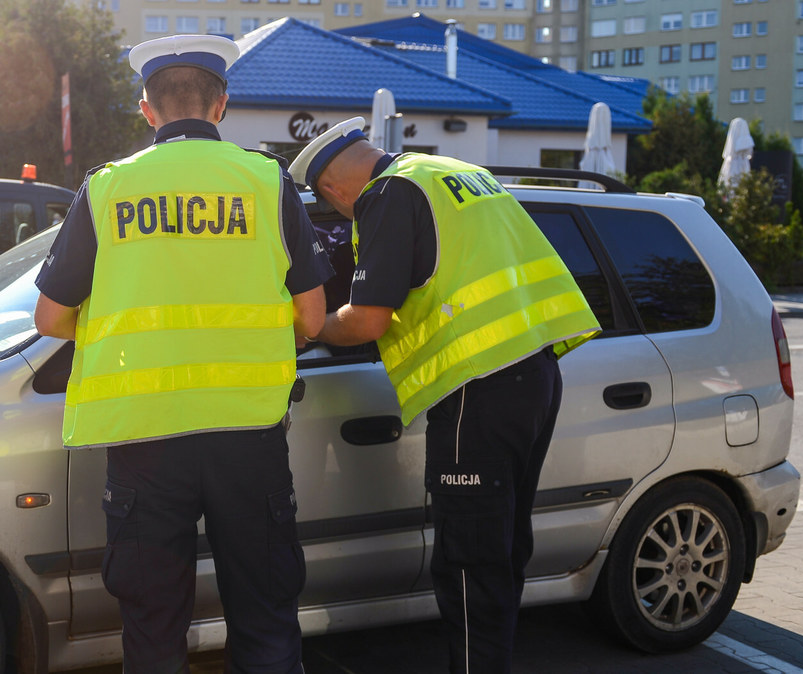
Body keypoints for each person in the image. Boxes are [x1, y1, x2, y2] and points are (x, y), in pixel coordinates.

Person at [33, 34, 332, 674]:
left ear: (147, 110)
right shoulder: (264, 181)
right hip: (247, 434)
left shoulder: (109, 188)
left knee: (151, 622)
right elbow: (311, 316)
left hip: (144, 439)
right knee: (265, 613)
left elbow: (51, 318)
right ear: (220, 105)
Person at [289, 117, 601, 673]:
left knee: (468, 565)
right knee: (501, 552)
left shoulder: (388, 195)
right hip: (534, 374)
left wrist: (309, 327)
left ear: (332, 187)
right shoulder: (458, 172)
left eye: (330, 201)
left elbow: (365, 321)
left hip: (474, 391)